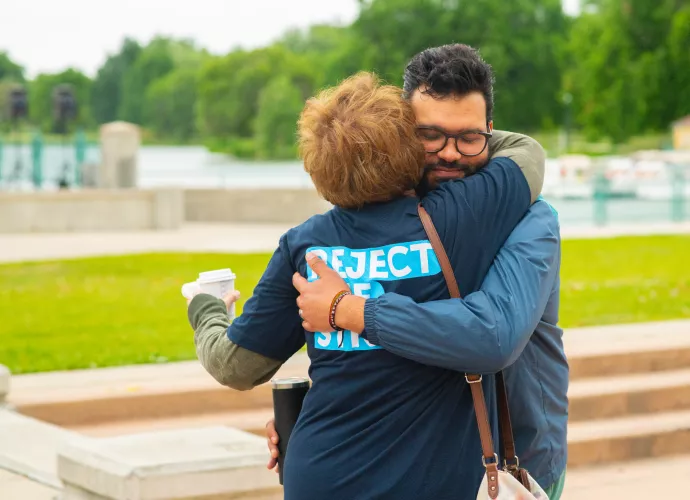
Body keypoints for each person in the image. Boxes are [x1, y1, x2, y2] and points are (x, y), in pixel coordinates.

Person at [187, 68, 544, 499]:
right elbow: (528, 153)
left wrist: (206, 309)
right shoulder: (459, 217)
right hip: (432, 483)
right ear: (408, 146)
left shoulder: (304, 246)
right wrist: (461, 136)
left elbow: (234, 366)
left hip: (319, 476)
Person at [266, 45, 569, 498]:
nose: (449, 154)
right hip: (428, 464)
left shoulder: (529, 218)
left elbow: (493, 337)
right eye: (430, 135)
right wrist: (321, 404)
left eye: (468, 138)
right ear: (404, 132)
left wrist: (352, 310)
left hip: (513, 466)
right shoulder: (393, 218)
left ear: (491, 131)